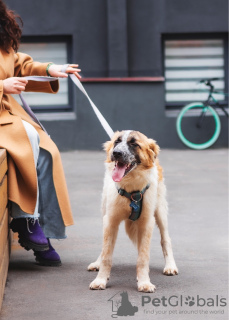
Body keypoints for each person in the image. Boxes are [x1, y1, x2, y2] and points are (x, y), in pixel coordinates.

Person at [0, 0, 81, 266]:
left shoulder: (3, 36)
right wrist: (1, 85)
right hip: (4, 119)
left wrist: (51, 70)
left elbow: (21, 65)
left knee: (47, 152)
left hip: (7, 115)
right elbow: (8, 78)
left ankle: (39, 227)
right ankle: (26, 220)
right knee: (28, 140)